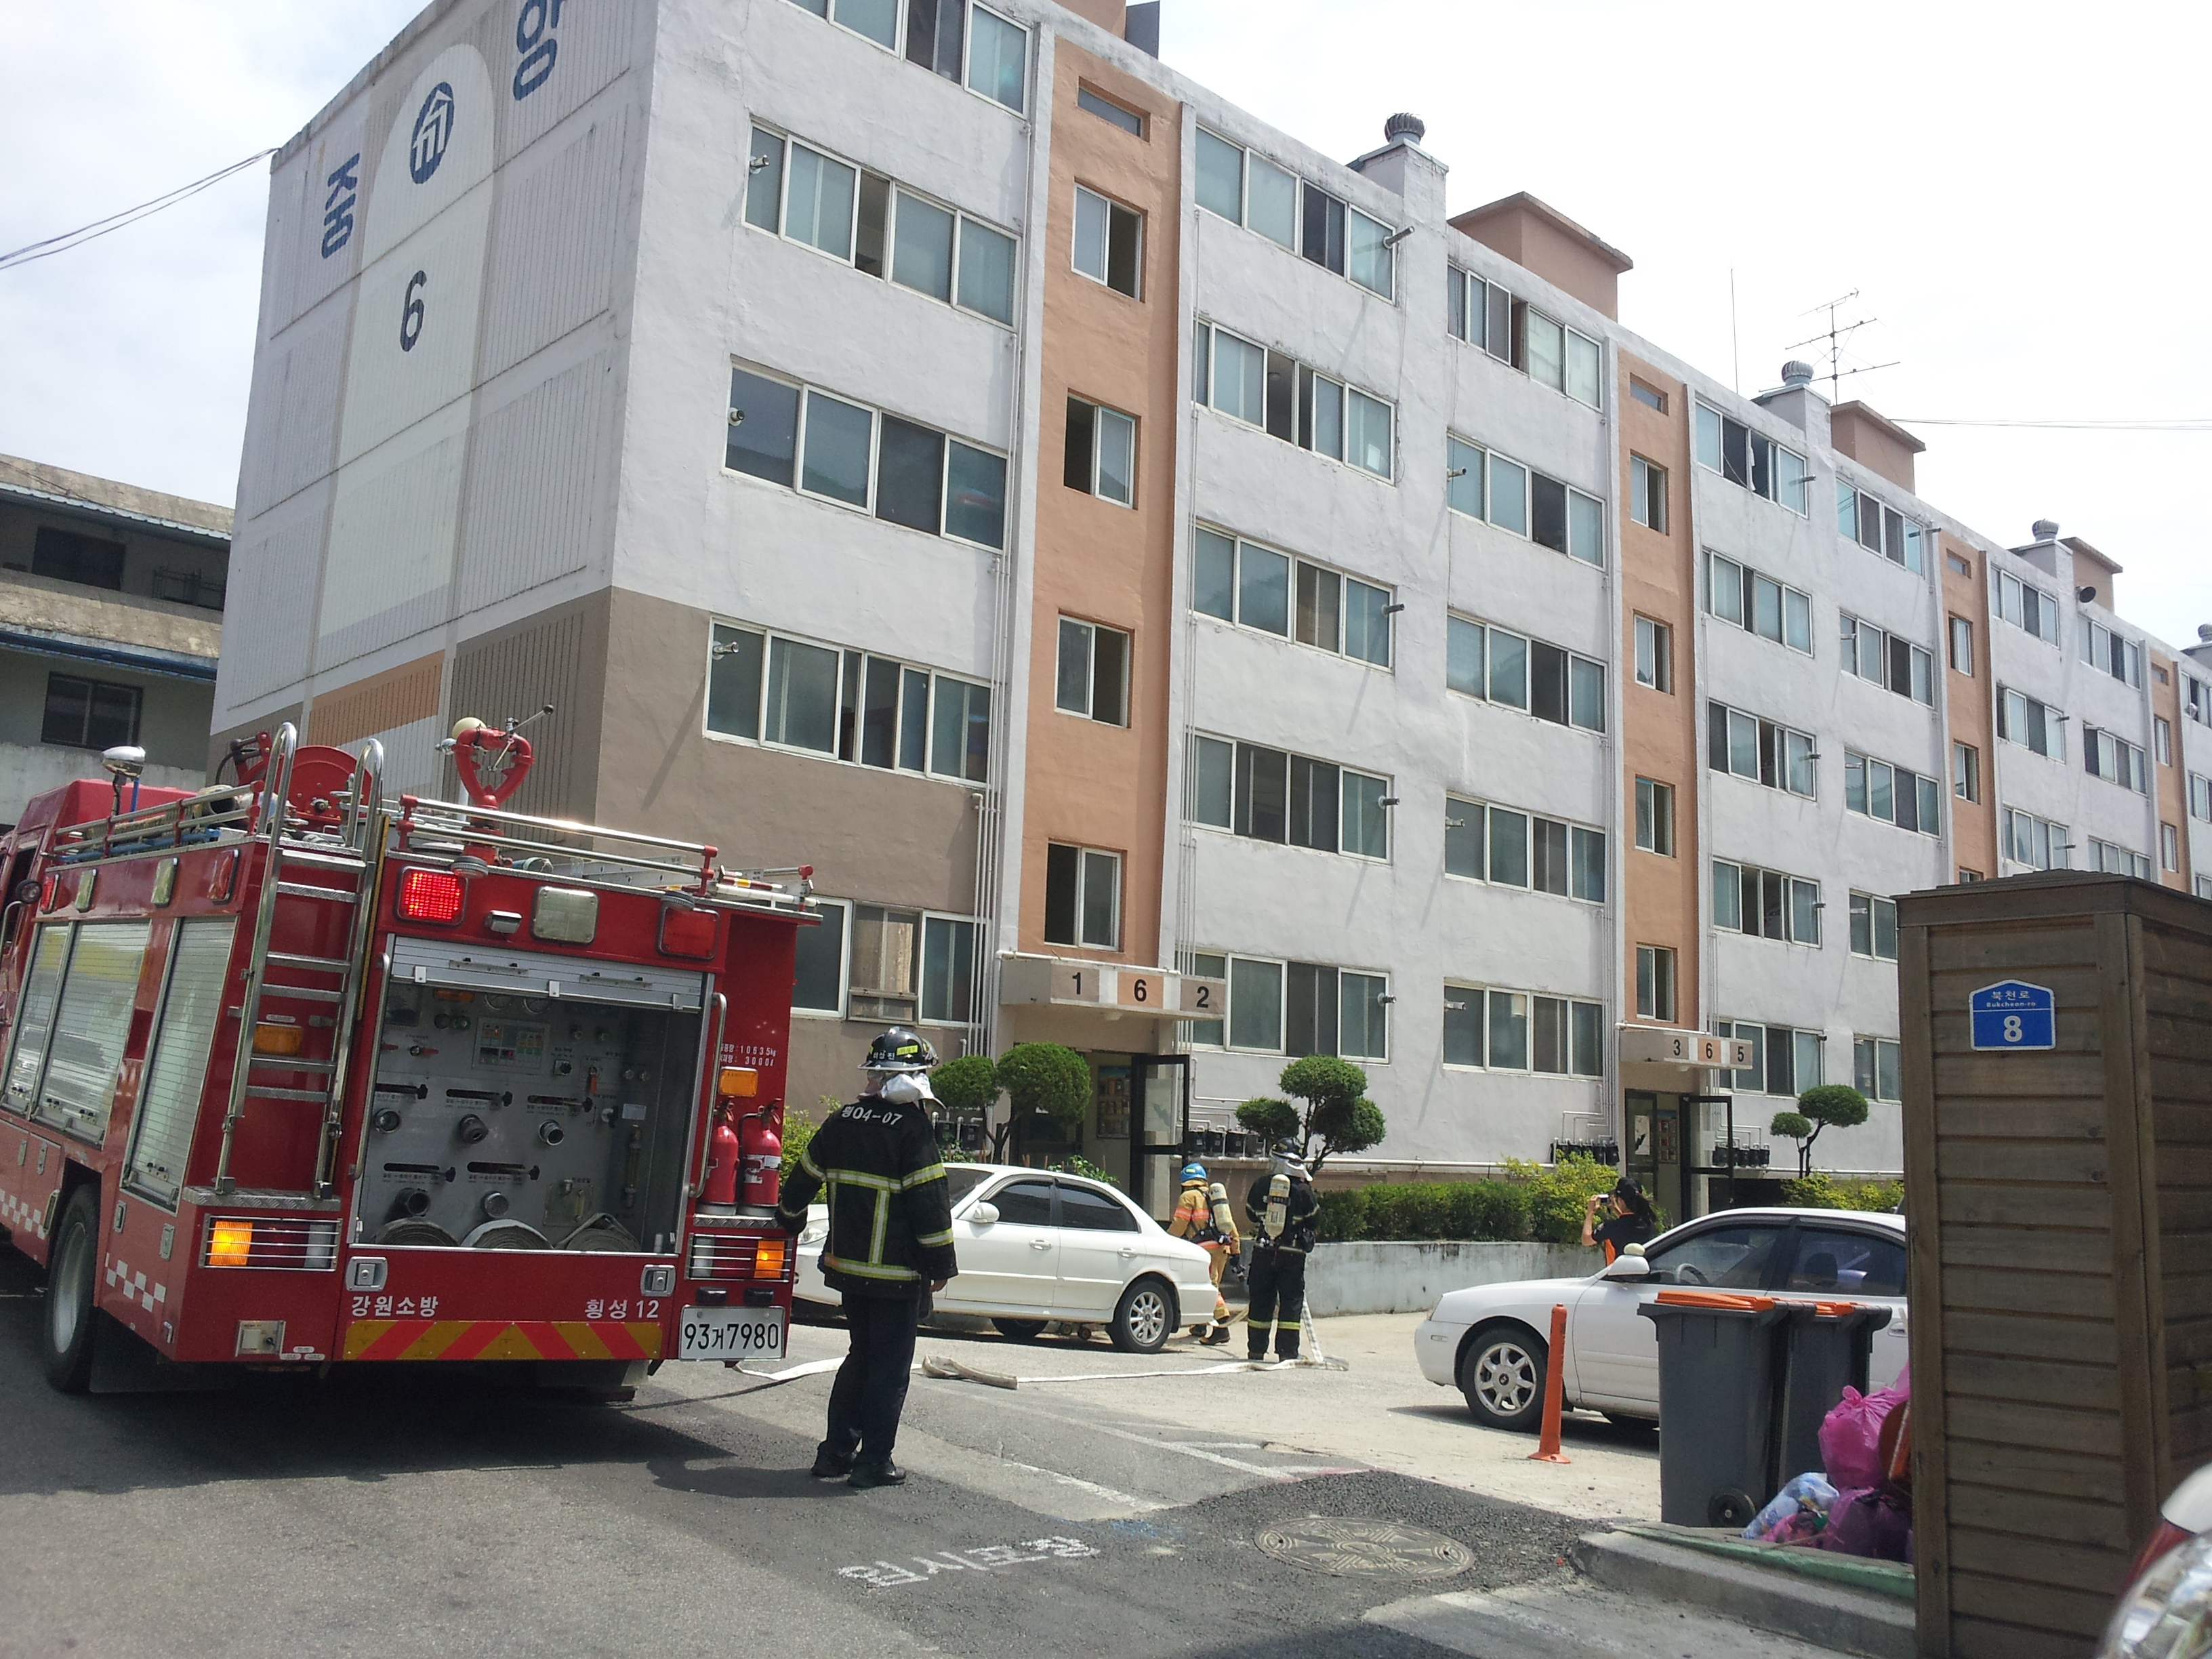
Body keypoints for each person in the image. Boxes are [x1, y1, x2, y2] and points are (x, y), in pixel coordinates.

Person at [777, 1026, 958, 1489]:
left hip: (849, 1271)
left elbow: (801, 1180)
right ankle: (874, 1462)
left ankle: (834, 1454)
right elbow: (930, 1204)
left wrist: (789, 1220)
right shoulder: (912, 1130)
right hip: (896, 1274)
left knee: (859, 1357)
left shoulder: (841, 1121)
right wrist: (941, 1266)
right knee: (888, 1370)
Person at [1243, 1141, 1319, 1363]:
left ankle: (1256, 1350)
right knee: (1291, 1303)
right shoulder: (1304, 1190)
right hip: (1292, 1255)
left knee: (1260, 1301)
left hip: (1263, 1252)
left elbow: (1250, 1213)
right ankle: (1287, 1352)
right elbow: (1314, 1220)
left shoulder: (1260, 1185)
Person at [1168, 1161, 1238, 1344]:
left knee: (1210, 1287)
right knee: (1208, 1285)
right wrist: (1236, 1251)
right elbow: (1231, 1226)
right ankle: (1200, 1325)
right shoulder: (1214, 1197)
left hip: (1204, 1251)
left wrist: (1166, 1240)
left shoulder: (1188, 1197)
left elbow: (1180, 1224)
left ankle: (1222, 1327)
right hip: (1223, 1249)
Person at [1582, 1176, 1658, 1264]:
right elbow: (1628, 1224)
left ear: (1621, 1201)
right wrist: (1616, 1209)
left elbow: (1586, 1240)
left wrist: (1590, 1212)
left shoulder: (1610, 1227)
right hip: (1642, 1270)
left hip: (1617, 1271)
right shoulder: (1648, 1223)